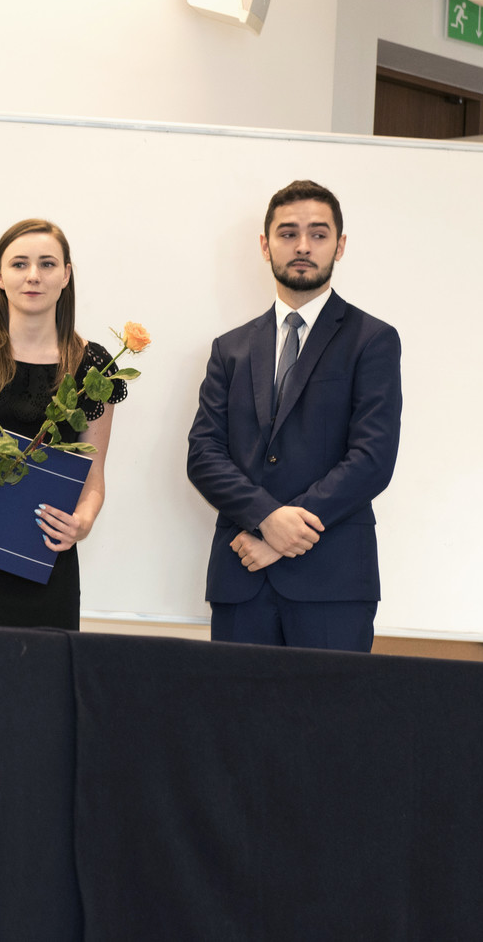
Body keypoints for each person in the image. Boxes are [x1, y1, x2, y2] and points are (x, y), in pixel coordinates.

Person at [187, 179, 402, 651]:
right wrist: (266, 518)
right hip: (241, 576)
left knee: (329, 702)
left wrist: (281, 535)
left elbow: (372, 458)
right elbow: (203, 455)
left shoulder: (373, 340)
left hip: (333, 583)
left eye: (318, 234)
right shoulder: (230, 349)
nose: (303, 246)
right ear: (265, 245)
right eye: (288, 233)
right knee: (235, 702)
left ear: (339, 246)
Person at [0, 218, 127, 629]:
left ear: (66, 275)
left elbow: (94, 477)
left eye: (47, 264)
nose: (33, 275)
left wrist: (82, 523)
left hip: (45, 562)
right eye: (19, 264)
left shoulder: (94, 366)